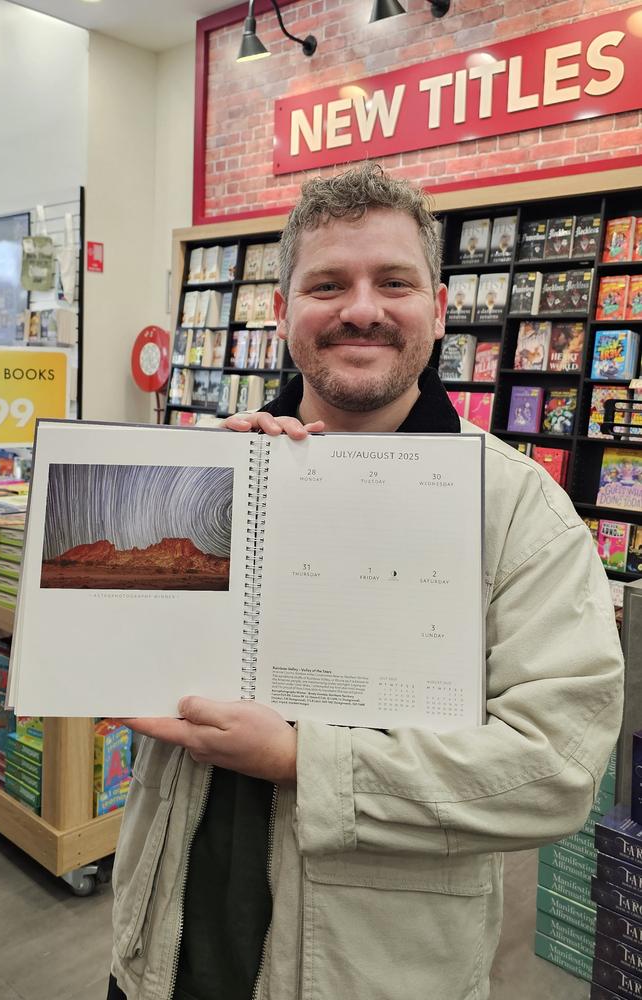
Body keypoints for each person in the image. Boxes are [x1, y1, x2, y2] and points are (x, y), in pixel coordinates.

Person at [108, 163, 623, 1000]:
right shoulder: (216, 469)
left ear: (440, 310)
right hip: (159, 951)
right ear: (280, 314)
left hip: (370, 974)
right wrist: (211, 507)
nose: (361, 308)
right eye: (326, 284)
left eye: (393, 282)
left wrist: (304, 760)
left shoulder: (520, 509)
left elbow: (554, 770)